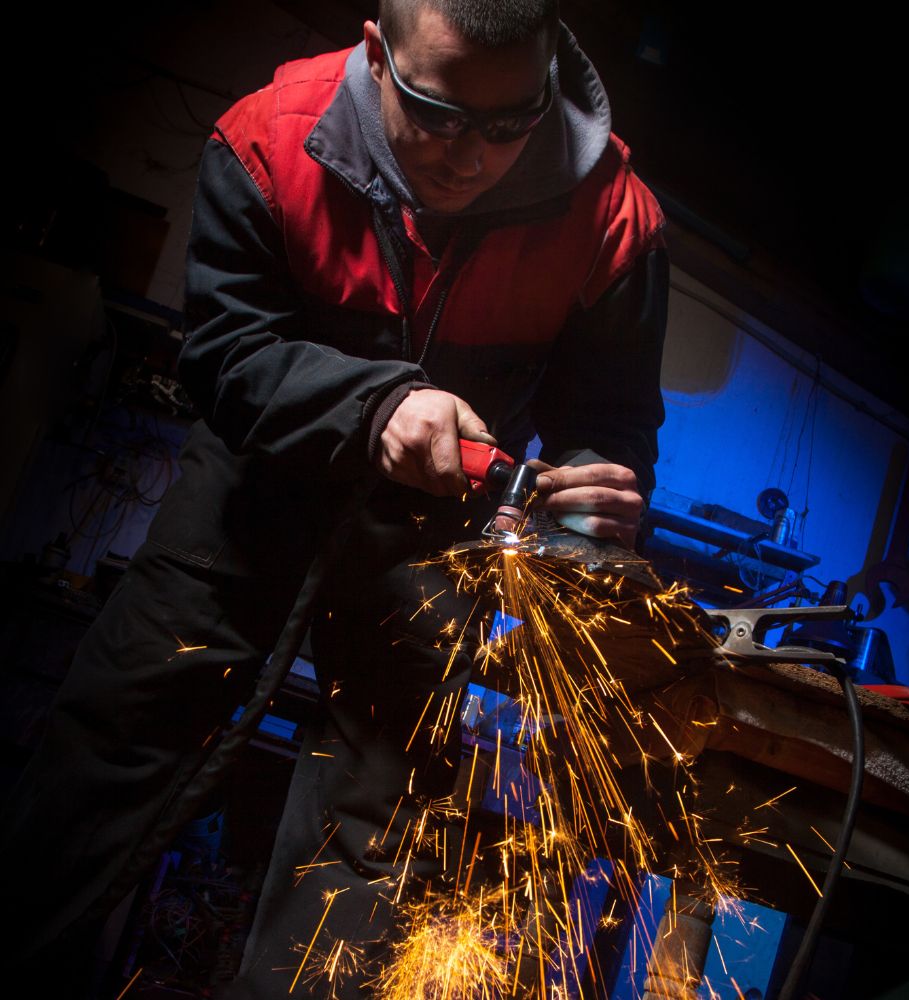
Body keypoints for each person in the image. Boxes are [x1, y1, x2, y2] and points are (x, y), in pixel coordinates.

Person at [1, 1, 669, 995]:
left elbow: (610, 422)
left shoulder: (614, 218)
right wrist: (374, 405)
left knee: (374, 821)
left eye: (507, 125)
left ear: (546, 87)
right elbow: (224, 354)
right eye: (438, 115)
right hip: (255, 482)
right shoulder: (268, 140)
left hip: (437, 535)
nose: (469, 158)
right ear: (377, 54)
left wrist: (587, 497)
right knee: (116, 736)